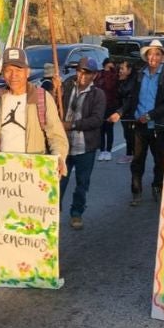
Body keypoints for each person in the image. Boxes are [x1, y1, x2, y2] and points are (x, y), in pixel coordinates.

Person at [0, 47, 68, 173]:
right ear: (3, 74)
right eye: (8, 70)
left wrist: (58, 157)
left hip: (32, 173)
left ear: (27, 72)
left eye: (18, 70)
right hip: (1, 171)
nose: (13, 75)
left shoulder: (41, 97)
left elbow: (56, 136)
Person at [108, 40, 164, 205]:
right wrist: (120, 112)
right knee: (137, 159)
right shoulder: (139, 74)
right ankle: (136, 191)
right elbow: (131, 98)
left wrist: (150, 116)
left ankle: (157, 186)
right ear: (146, 57)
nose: (153, 57)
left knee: (160, 160)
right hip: (139, 125)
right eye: (150, 54)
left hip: (159, 126)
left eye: (157, 54)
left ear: (162, 57)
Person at [59, 58, 106, 229]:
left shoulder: (97, 94)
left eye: (87, 72)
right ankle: (53, 211)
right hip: (64, 144)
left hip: (85, 146)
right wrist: (53, 85)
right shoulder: (66, 86)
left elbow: (96, 120)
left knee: (82, 182)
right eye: (80, 71)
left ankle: (77, 213)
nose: (82, 75)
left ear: (94, 75)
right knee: (59, 181)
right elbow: (53, 101)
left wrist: (72, 125)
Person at [114, 60, 136, 164]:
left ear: (129, 70)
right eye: (119, 68)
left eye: (122, 68)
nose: (120, 71)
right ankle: (130, 154)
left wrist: (120, 112)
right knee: (127, 134)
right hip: (125, 113)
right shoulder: (122, 81)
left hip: (130, 113)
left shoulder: (132, 83)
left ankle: (131, 155)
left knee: (130, 134)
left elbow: (129, 101)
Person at [96, 58, 118, 161]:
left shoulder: (115, 76)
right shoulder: (99, 74)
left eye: (111, 66)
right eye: (107, 66)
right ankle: (102, 150)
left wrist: (111, 72)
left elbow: (111, 86)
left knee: (109, 129)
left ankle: (108, 150)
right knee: (101, 129)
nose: (108, 69)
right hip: (100, 105)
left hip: (111, 105)